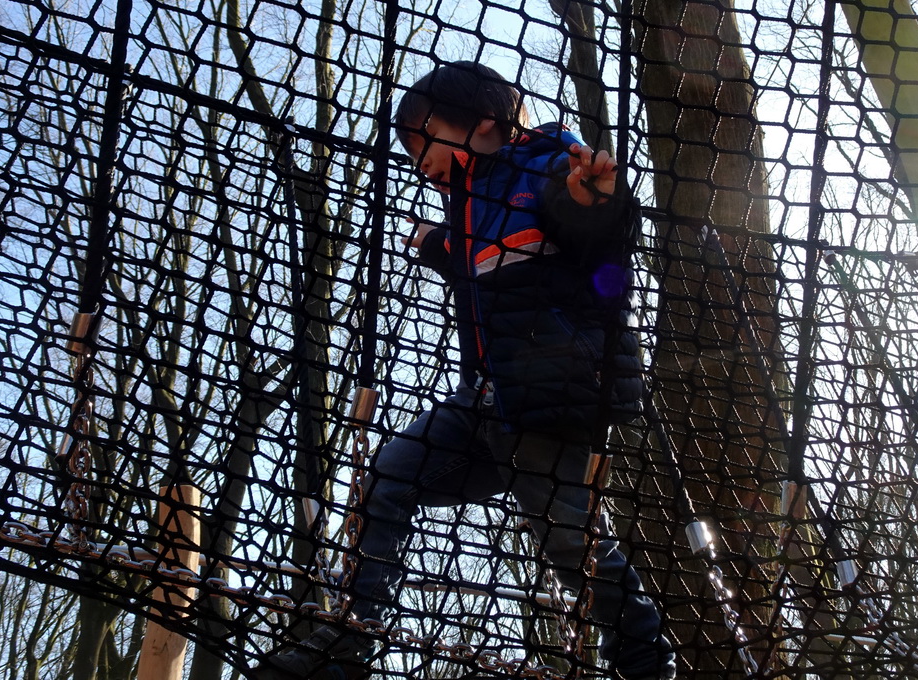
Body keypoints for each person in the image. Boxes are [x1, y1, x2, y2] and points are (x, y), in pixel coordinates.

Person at [252, 61, 675, 680]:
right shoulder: (467, 200)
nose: (415, 158)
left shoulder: (543, 164)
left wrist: (593, 195)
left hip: (546, 398)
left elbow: (582, 222)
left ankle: (643, 662)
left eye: (422, 139)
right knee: (389, 479)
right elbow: (491, 270)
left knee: (568, 541)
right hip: (483, 401)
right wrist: (435, 245)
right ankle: (350, 645)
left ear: (481, 123)